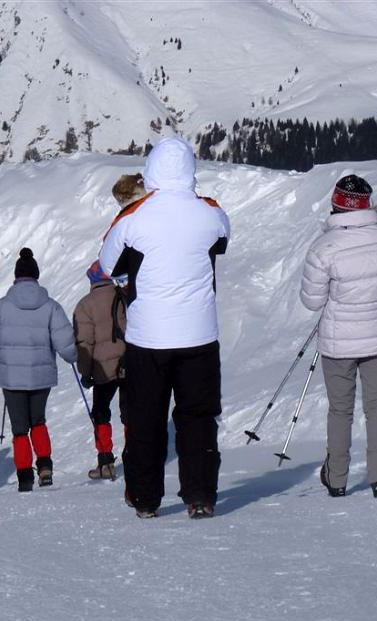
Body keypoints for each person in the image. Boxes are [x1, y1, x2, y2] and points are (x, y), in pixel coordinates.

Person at [99, 136, 231, 519]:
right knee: (198, 418)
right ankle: (200, 495)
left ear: (152, 169)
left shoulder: (135, 216)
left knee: (146, 419)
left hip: (148, 338)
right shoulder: (210, 212)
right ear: (190, 169)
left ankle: (144, 499)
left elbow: (109, 265)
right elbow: (222, 241)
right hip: (200, 335)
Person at [299, 174, 377, 498]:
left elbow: (312, 301)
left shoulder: (325, 247)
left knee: (340, 409)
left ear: (336, 205)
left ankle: (338, 478)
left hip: (339, 340)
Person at [0, 248, 78, 492]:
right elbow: (65, 341)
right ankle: (45, 466)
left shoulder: (2, 306)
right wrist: (73, 357)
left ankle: (25, 476)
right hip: (41, 375)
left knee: (19, 428)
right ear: (36, 276)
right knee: (38, 421)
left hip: (12, 378)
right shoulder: (51, 306)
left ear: (16, 277)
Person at [73, 260, 127, 480]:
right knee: (130, 412)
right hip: (128, 362)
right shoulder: (123, 296)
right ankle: (135, 456)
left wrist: (85, 373)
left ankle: (106, 462)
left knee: (100, 413)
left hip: (102, 369)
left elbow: (84, 343)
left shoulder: (85, 305)